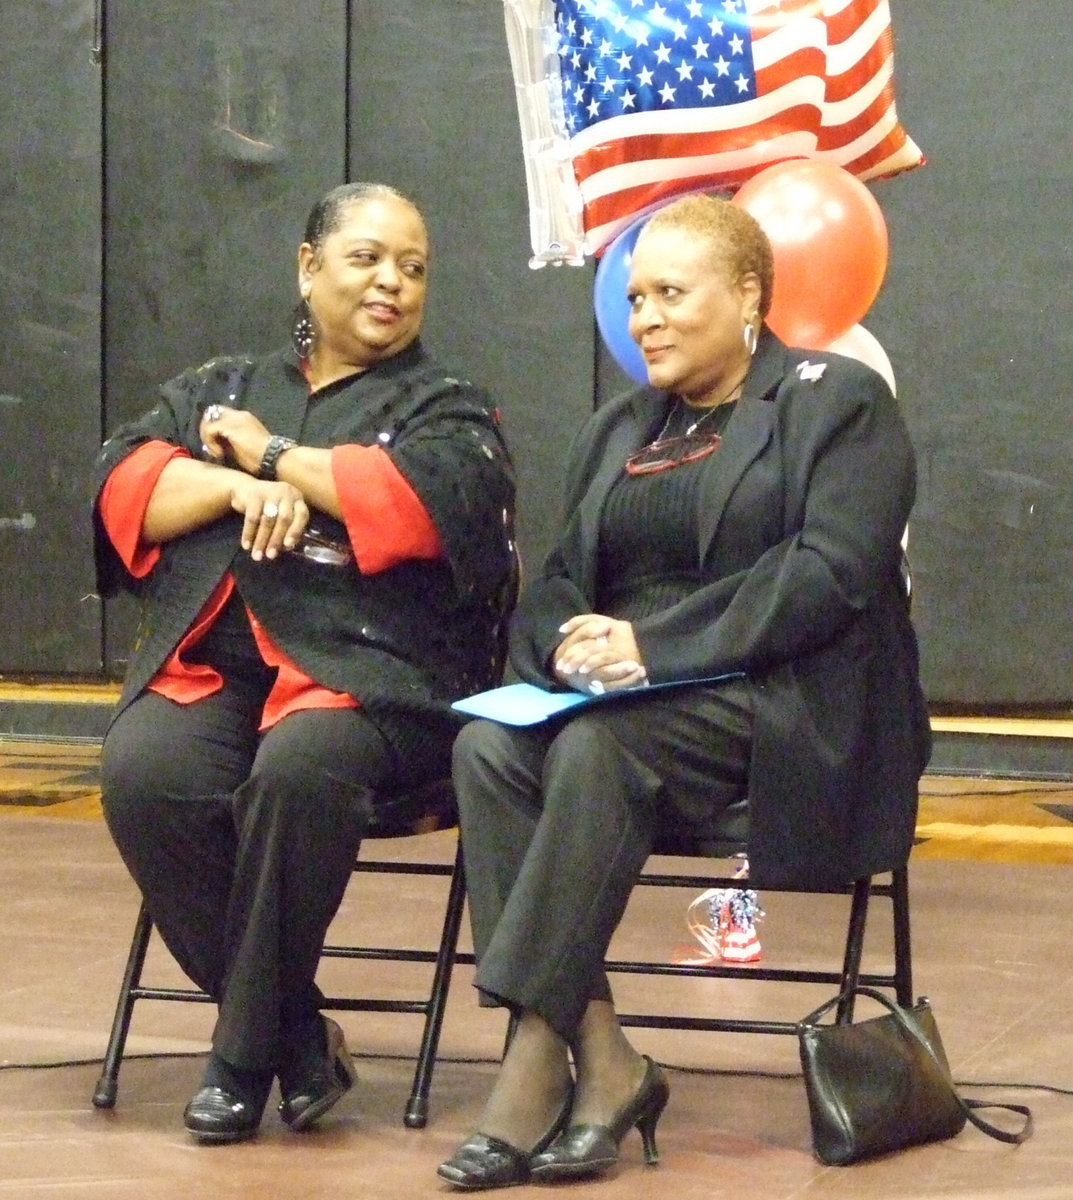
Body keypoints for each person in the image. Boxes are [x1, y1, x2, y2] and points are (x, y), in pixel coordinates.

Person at [437, 192, 930, 1189]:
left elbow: (828, 574)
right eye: (632, 298)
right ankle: (606, 1057)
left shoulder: (833, 400)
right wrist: (568, 651)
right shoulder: (619, 426)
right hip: (628, 693)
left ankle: (538, 1060)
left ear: (747, 293)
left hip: (785, 697)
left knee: (598, 747)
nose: (643, 317)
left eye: (668, 292)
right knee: (485, 749)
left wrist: (649, 647)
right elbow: (564, 575)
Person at [92, 182, 515, 1144]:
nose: (392, 284)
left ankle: (241, 1058)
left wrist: (277, 456)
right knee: (143, 770)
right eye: (367, 257)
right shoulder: (223, 386)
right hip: (217, 666)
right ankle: (296, 1034)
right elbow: (125, 486)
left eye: (413, 268)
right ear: (307, 265)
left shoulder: (445, 404)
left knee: (297, 772)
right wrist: (235, 489)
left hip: (374, 681)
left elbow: (425, 504)